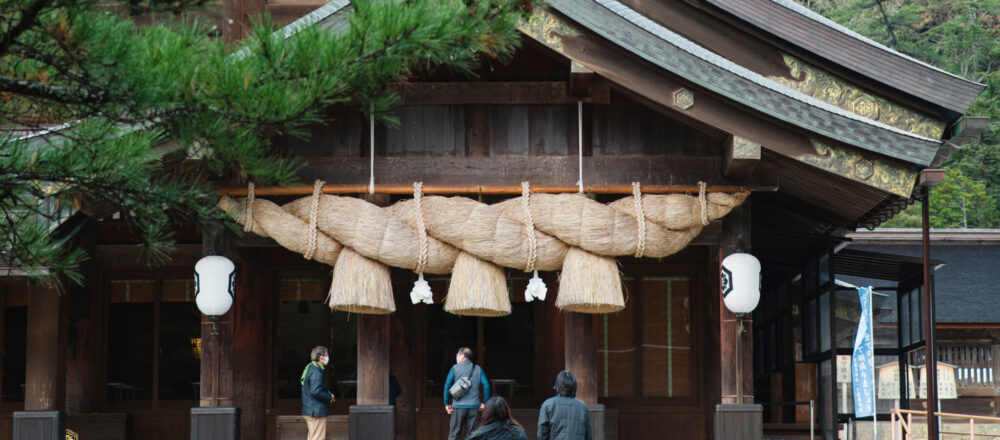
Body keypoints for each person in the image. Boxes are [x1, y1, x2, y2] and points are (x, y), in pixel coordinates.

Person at [444, 347, 491, 440]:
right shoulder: (478, 369)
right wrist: (484, 403)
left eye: (457, 355)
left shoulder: (455, 368)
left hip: (458, 407)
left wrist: (446, 403)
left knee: (454, 434)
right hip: (474, 406)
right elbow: (486, 386)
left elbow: (447, 385)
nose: (456, 357)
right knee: (472, 436)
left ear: (462, 356)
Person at [537, 370, 591, 440]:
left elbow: (542, 434)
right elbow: (588, 435)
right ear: (574, 387)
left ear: (557, 386)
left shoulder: (547, 405)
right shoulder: (582, 406)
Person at [301, 346, 335, 440]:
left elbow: (316, 388)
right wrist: (329, 397)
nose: (328, 357)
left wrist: (328, 393)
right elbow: (315, 391)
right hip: (315, 411)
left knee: (313, 437)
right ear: (321, 357)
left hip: (311, 409)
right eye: (327, 354)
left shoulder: (311, 368)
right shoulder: (316, 371)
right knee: (317, 438)